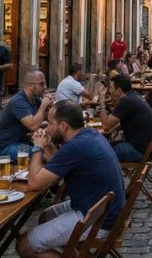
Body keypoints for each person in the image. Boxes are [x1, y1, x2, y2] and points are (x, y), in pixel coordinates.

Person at [17, 101, 125, 258]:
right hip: (103, 208)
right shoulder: (89, 134)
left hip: (97, 219)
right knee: (45, 216)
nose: (47, 129)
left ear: (63, 126)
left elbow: (34, 183)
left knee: (24, 245)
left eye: (50, 124)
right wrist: (47, 145)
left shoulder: (75, 147)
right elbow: (58, 162)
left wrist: (37, 148)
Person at [97, 75, 152, 162]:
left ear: (119, 91)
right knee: (107, 146)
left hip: (138, 150)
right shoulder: (134, 95)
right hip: (146, 148)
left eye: (111, 88)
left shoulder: (126, 101)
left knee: (98, 154)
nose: (109, 92)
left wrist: (101, 103)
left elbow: (106, 126)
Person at [0, 70, 54, 158]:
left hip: (25, 142)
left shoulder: (35, 99)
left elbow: (47, 118)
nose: (45, 87)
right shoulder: (18, 101)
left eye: (45, 83)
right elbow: (33, 126)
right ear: (30, 85)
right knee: (41, 152)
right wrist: (43, 105)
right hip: (8, 147)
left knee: (53, 145)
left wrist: (50, 106)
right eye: (41, 84)